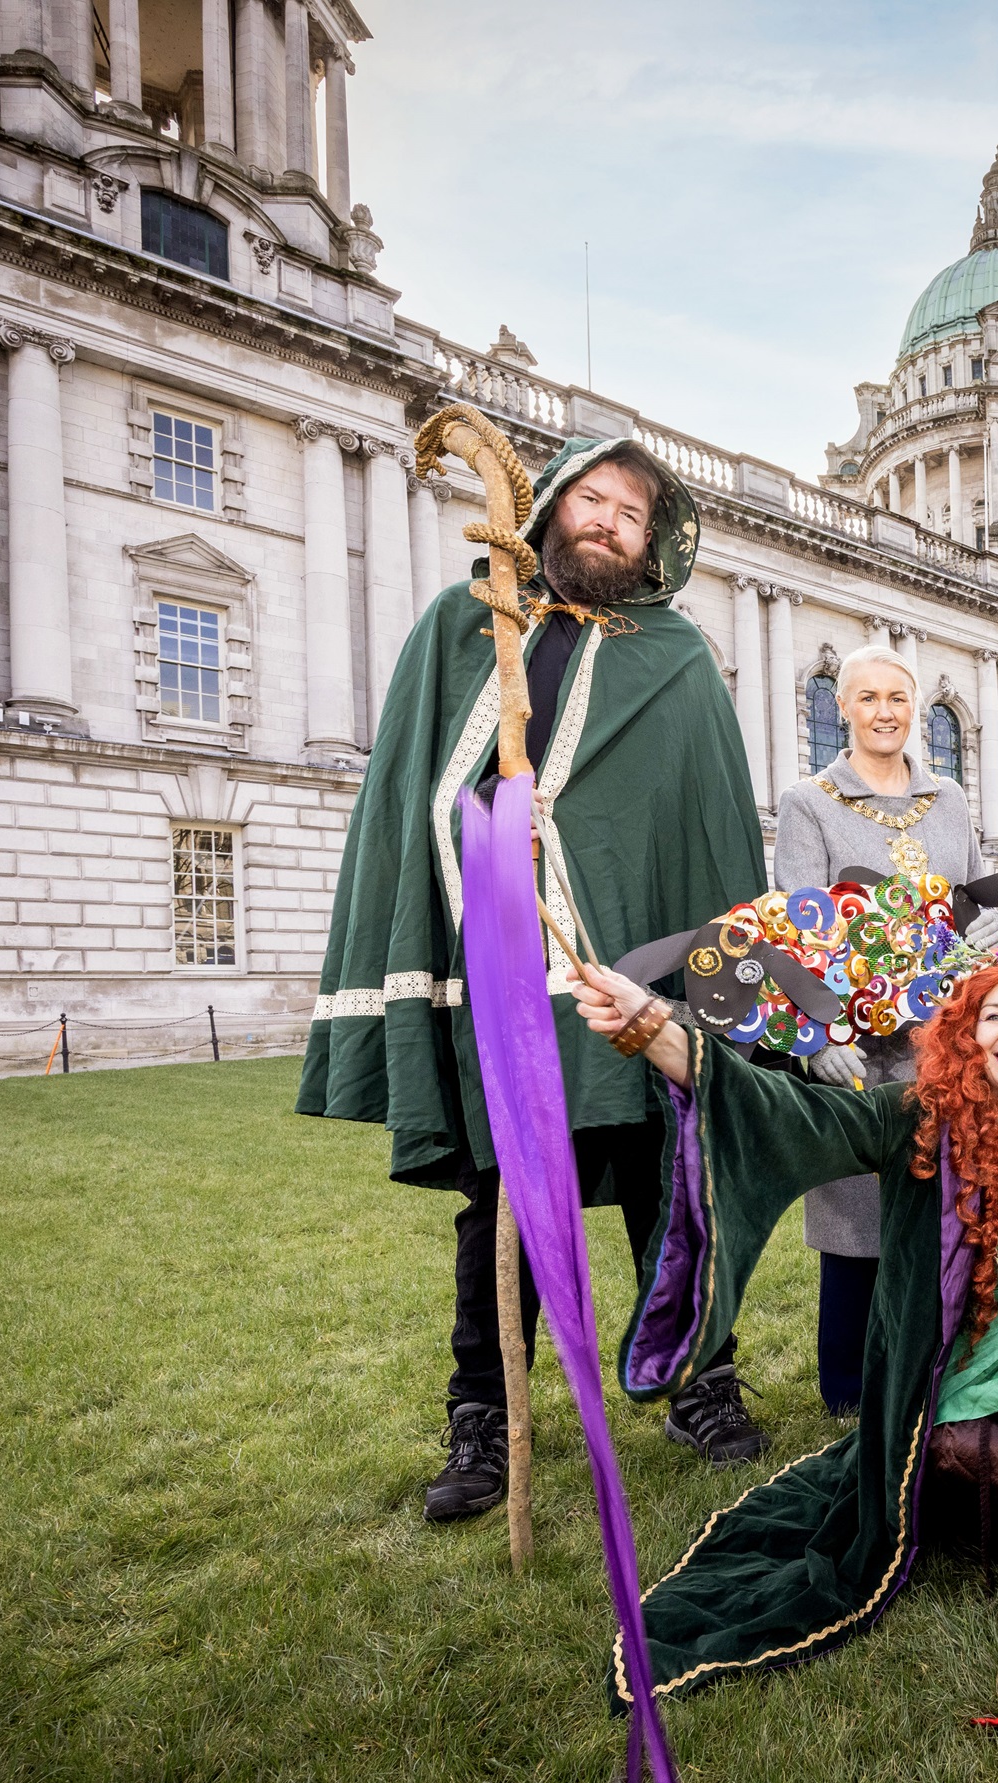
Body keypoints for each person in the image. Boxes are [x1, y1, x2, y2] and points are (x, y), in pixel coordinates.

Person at [299, 434, 773, 1524]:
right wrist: (486, 826)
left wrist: (709, 980)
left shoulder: (681, 659)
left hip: (635, 971)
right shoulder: (465, 626)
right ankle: (483, 1414)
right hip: (504, 963)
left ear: (653, 539)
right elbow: (412, 789)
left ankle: (697, 1380)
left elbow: (700, 825)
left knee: (666, 1175)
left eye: (632, 513)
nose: (609, 522)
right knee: (497, 1199)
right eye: (594, 500)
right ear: (555, 506)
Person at [572, 925, 998, 1707]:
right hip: (951, 1378)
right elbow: (790, 1115)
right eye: (994, 1016)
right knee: (955, 1456)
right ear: (966, 1034)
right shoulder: (922, 1121)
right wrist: (656, 1029)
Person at [770, 643, 987, 1415]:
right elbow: (797, 932)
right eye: (868, 698)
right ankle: (852, 1396)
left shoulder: (951, 800)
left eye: (898, 697)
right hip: (857, 1050)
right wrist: (822, 1035)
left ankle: (943, 1377)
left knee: (947, 1213)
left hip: (945, 1043)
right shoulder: (809, 801)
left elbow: (973, 912)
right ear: (842, 707)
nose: (885, 712)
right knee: (857, 1219)